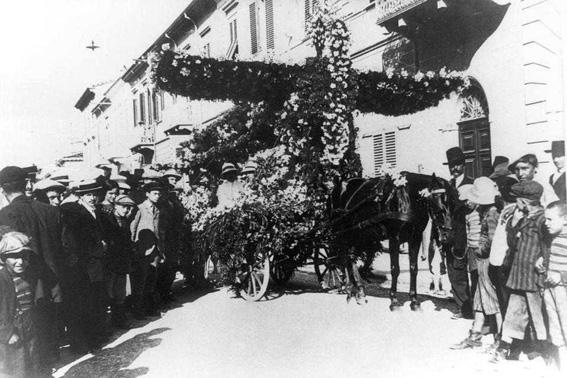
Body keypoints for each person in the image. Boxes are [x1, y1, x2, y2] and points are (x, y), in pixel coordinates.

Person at [0, 166, 64, 367]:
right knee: (48, 327)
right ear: (27, 184)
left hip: (24, 285)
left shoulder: (5, 214)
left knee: (29, 335)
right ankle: (50, 361)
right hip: (52, 281)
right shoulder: (50, 210)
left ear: (3, 190)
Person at [493, 181, 548, 362]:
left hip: (533, 277)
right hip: (518, 275)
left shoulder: (542, 219)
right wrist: (514, 224)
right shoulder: (523, 218)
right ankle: (505, 347)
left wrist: (544, 260)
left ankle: (544, 349)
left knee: (537, 314)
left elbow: (547, 245)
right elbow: (513, 243)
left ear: (524, 202)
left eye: (518, 201)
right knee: (514, 312)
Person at [60, 179, 110, 352]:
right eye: (88, 194)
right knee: (87, 304)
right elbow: (77, 242)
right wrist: (100, 247)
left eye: (95, 194)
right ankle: (86, 343)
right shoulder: (76, 213)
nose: (93, 197)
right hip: (86, 267)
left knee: (95, 302)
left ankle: (94, 338)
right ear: (80, 196)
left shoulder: (94, 211)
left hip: (95, 265)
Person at [451, 178, 501, 350]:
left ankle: (499, 339)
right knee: (479, 298)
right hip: (481, 259)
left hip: (487, 261)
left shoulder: (492, 214)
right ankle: (475, 334)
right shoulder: (485, 212)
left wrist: (480, 248)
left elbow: (492, 239)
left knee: (492, 300)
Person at [0, 231, 51, 377]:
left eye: (24, 256)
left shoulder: (27, 275)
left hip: (28, 324)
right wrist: (7, 333)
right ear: (3, 258)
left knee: (33, 361)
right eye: (14, 257)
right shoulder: (2, 279)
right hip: (11, 329)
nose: (20, 262)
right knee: (16, 367)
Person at [442, 147, 474, 319]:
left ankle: (468, 308)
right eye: (452, 166)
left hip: (464, 233)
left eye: (457, 165)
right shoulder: (447, 184)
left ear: (463, 165)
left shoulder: (471, 184)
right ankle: (461, 304)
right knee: (452, 269)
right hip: (449, 233)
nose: (454, 169)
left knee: (461, 269)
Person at [536, 201, 567, 371]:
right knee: (556, 329)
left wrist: (561, 276)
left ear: (565, 219)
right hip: (551, 289)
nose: (546, 223)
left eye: (550, 219)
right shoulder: (552, 237)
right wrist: (542, 260)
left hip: (564, 290)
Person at [130, 181, 164, 319]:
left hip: (154, 250)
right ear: (147, 194)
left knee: (151, 279)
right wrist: (133, 246)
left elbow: (159, 232)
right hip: (141, 249)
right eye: (154, 193)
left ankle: (149, 307)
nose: (157, 196)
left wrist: (161, 250)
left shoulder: (157, 209)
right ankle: (137, 310)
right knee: (140, 280)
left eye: (159, 194)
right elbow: (133, 228)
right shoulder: (140, 208)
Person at [103, 195, 136, 329]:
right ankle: (107, 323)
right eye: (124, 207)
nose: (126, 210)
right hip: (110, 262)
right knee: (108, 293)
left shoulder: (125, 221)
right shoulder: (107, 219)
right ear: (116, 205)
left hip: (122, 262)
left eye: (128, 208)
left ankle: (119, 320)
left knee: (120, 293)